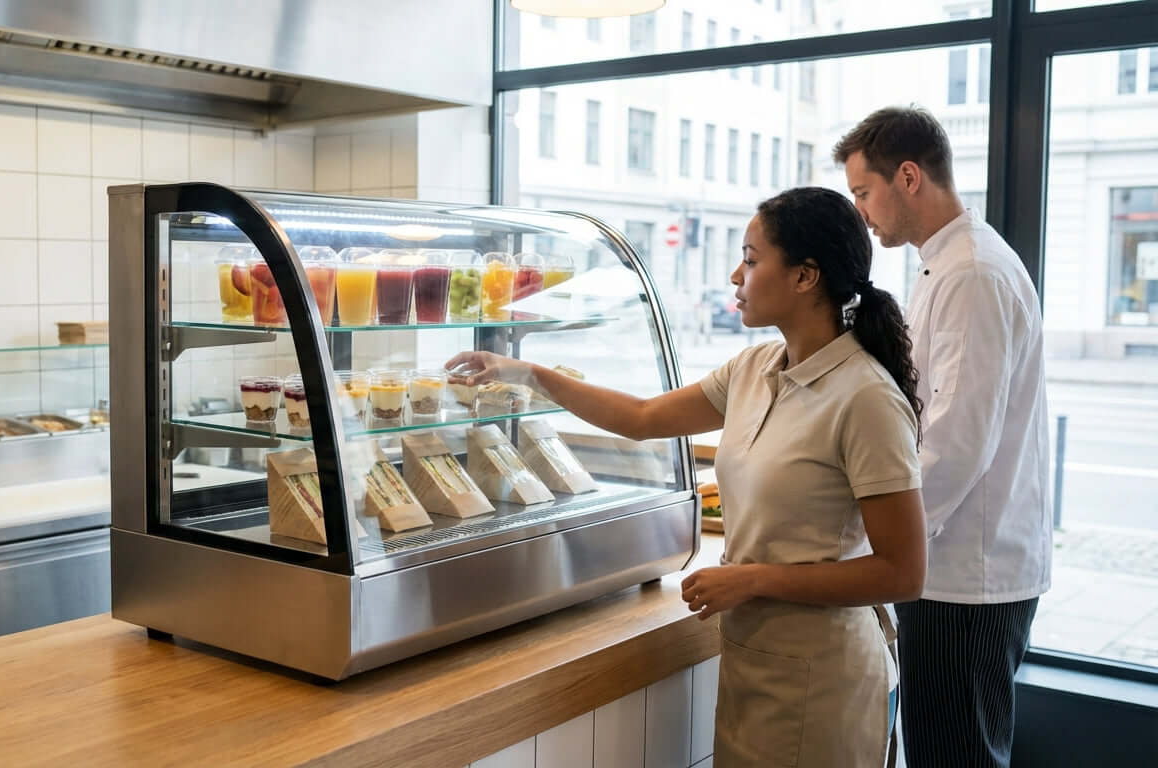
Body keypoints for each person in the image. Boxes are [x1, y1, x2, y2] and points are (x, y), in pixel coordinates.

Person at [449, 187, 926, 767]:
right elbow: (643, 418)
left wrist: (751, 580)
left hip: (826, 671)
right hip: (756, 653)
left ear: (805, 277)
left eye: (751, 260)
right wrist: (524, 371)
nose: (735, 274)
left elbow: (902, 572)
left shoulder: (866, 397)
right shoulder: (754, 367)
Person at [835, 106, 1051, 768]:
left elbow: (956, 445)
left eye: (864, 194)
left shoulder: (972, 272)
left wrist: (873, 540)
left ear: (907, 177)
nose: (863, 215)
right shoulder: (948, 262)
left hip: (966, 577)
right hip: (951, 568)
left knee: (958, 757)